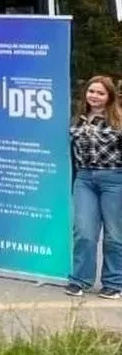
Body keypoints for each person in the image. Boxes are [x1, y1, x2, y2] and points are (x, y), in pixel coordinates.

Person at [67, 76, 122, 299]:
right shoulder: (77, 119)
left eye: (100, 93)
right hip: (84, 179)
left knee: (114, 235)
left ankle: (114, 282)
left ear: (109, 97)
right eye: (91, 91)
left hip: (114, 179)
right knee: (84, 232)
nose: (95, 96)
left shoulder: (117, 120)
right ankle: (80, 280)